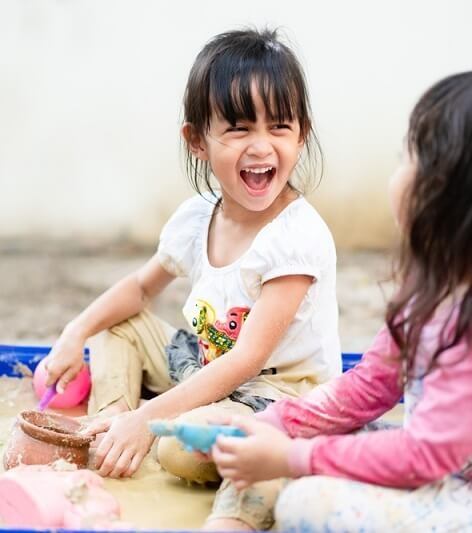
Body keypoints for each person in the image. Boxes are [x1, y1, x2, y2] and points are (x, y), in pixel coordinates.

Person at [210, 70, 472, 532]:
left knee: (307, 501)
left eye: (408, 156)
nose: (397, 170)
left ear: (454, 197)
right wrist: (276, 424)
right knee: (312, 441)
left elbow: (423, 455)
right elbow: (370, 386)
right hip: (452, 474)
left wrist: (293, 457)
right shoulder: (435, 285)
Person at [43, 27, 340, 527]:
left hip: (279, 398)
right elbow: (140, 288)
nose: (262, 146)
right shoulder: (197, 217)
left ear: (301, 134)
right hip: (206, 367)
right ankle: (110, 422)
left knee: (178, 449)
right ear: (198, 140)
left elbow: (248, 359)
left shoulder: (296, 238)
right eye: (239, 128)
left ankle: (252, 481)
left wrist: (151, 419)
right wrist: (76, 333)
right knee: (117, 328)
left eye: (279, 127)